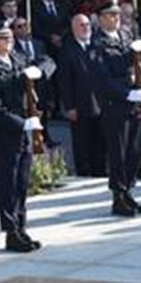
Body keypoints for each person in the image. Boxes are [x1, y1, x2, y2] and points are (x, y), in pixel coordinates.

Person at [0, 22, 44, 250]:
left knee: (22, 183)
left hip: (25, 132)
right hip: (6, 134)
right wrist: (23, 123)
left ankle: (21, 227)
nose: (9, 42)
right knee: (7, 185)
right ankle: (11, 232)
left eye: (10, 38)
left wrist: (40, 70)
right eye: (3, 38)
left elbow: (45, 63)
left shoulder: (19, 60)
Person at [87, 1, 141, 215]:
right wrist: (127, 93)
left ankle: (128, 191)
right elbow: (102, 80)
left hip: (134, 104)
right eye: (110, 15)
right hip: (115, 105)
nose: (115, 18)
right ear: (101, 18)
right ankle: (118, 195)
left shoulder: (126, 35)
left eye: (117, 14)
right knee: (118, 152)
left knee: (134, 150)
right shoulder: (96, 44)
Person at [57, 14, 106, 177]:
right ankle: (84, 173)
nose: (85, 28)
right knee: (82, 143)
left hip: (100, 104)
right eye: (81, 25)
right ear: (73, 29)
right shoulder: (67, 50)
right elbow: (64, 80)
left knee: (100, 141)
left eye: (87, 25)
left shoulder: (98, 46)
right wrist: (69, 106)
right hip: (80, 105)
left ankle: (100, 172)